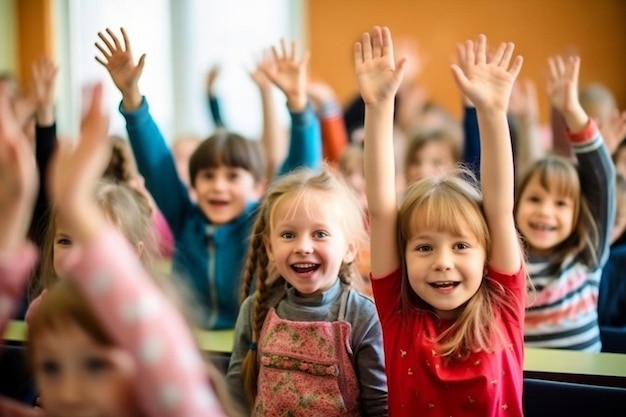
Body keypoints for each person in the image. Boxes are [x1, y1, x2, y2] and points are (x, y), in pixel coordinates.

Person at [0, 82, 232, 416]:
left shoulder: (173, 399)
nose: (69, 391)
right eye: (51, 368)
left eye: (97, 367)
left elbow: (157, 338)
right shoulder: (43, 309)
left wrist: (74, 204)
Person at [95, 28, 321, 329]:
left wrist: (298, 106)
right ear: (193, 183)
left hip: (246, 346)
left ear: (257, 186)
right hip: (192, 340)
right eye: (208, 176)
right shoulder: (184, 218)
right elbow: (157, 163)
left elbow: (300, 171)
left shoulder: (258, 222)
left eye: (232, 176)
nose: (218, 186)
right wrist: (132, 98)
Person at [359, 27, 526, 416]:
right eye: (424, 247)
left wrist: (492, 112)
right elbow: (383, 208)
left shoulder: (503, 304)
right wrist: (379, 108)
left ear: (488, 256)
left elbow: (500, 207)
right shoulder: (398, 312)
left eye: (461, 246)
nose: (443, 261)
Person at [226, 166, 388, 416]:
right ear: (270, 247)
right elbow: (235, 395)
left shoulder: (362, 316)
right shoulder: (255, 309)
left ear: (349, 249)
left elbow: (379, 405)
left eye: (320, 234)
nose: (303, 247)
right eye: (288, 234)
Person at [516, 55, 615, 352]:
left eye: (561, 204)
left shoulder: (586, 254)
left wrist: (572, 111)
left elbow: (602, 179)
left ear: (578, 215)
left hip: (584, 393)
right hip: (526, 391)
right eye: (534, 199)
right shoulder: (507, 260)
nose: (545, 211)